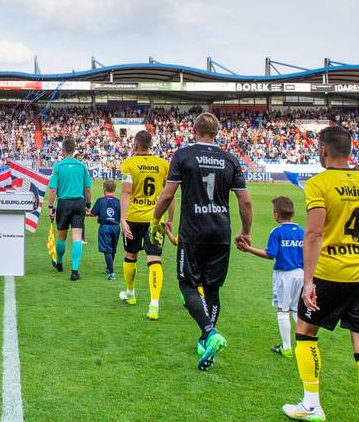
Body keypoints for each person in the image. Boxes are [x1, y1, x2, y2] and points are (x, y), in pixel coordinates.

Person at [281, 125, 359, 422]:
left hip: (330, 272)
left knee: (306, 331)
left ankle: (311, 403)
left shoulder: (319, 183)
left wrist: (308, 281)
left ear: (324, 151)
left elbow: (314, 234)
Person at [151, 112, 252, 371]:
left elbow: (167, 194)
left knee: (187, 285)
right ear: (216, 133)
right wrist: (246, 231)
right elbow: (245, 201)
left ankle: (208, 331)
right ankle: (206, 339)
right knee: (212, 289)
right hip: (221, 233)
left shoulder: (183, 155)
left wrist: (155, 220)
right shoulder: (230, 159)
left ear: (193, 130)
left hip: (193, 233)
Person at [237, 196, 304, 357]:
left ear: (276, 214)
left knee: (282, 310)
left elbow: (270, 254)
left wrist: (248, 248)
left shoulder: (277, 232)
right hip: (300, 274)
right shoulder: (302, 231)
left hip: (284, 275)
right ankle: (304, 345)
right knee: (296, 310)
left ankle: (286, 348)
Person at [117, 130, 171, 318]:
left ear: (136, 144)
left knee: (130, 255)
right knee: (154, 259)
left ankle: (130, 294)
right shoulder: (163, 164)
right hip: (155, 219)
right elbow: (169, 194)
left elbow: (126, 192)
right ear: (150, 144)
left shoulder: (129, 164)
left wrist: (123, 219)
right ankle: (154, 305)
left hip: (133, 218)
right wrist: (170, 219)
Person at [46, 138, 93, 281]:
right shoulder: (82, 166)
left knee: (61, 237)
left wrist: (50, 207)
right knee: (77, 237)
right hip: (79, 203)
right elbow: (88, 189)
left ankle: (59, 262)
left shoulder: (58, 167)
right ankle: (74, 271)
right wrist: (88, 205)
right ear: (74, 150)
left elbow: (53, 190)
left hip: (64, 203)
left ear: (63, 150)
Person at [90, 179, 122, 279]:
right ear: (114, 189)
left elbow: (93, 213)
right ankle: (109, 268)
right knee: (112, 249)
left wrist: (86, 213)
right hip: (116, 227)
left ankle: (111, 273)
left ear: (104, 188)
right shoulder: (118, 202)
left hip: (105, 227)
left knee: (107, 250)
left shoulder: (100, 200)